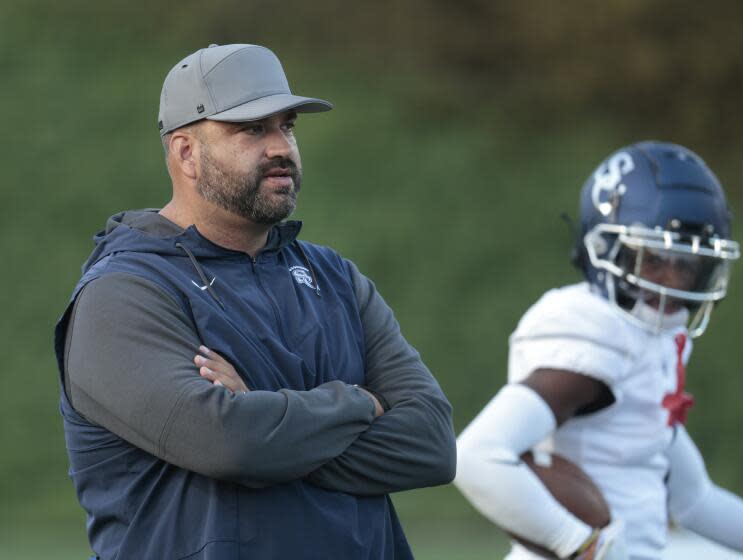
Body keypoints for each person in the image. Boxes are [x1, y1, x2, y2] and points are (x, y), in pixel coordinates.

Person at [54, 43, 456, 559]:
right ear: (185, 153)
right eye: (251, 129)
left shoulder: (334, 278)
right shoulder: (124, 293)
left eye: (287, 126)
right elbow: (229, 443)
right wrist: (360, 402)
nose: (280, 147)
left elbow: (432, 445)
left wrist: (265, 418)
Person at [454, 141, 743, 559]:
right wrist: (580, 544)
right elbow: (476, 457)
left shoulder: (654, 339)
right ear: (607, 250)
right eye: (656, 258)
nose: (675, 281)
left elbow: (694, 500)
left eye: (688, 264)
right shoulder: (598, 336)